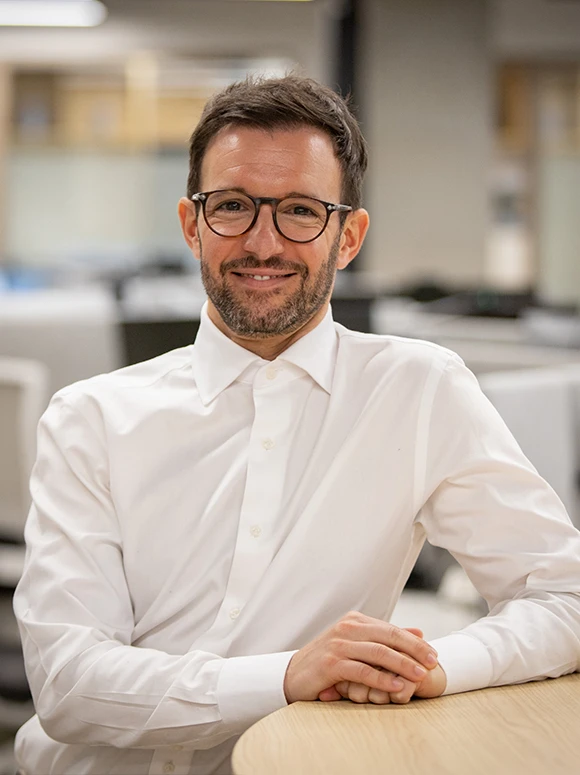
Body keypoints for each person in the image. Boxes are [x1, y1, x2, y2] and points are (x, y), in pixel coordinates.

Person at [13, 75, 580, 775]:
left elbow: (564, 596)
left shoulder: (418, 390)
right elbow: (67, 682)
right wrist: (288, 675)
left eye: (302, 211)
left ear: (348, 237)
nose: (263, 241)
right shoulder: (90, 418)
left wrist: (432, 665)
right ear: (192, 224)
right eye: (233, 206)